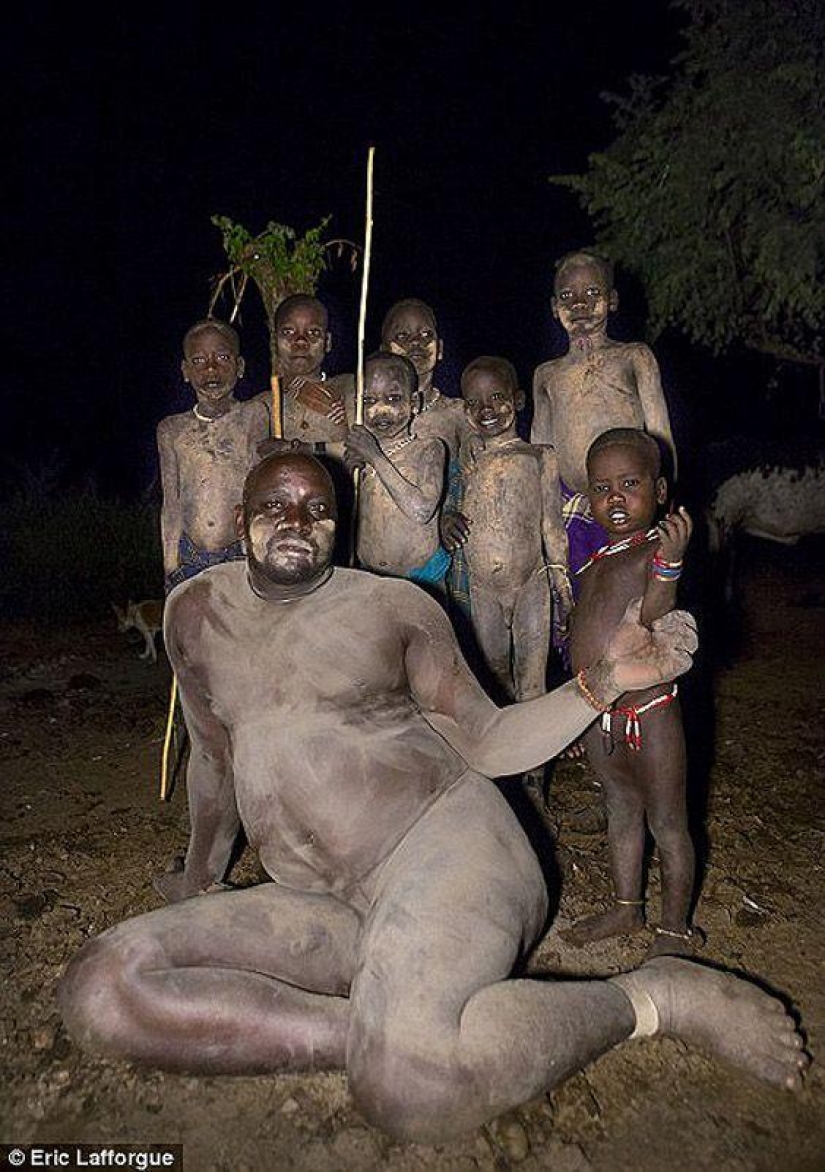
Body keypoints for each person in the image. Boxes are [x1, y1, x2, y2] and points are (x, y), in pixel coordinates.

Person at [58, 453, 806, 1146]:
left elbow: (488, 742)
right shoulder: (193, 611)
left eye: (316, 509)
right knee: (103, 989)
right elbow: (215, 764)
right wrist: (198, 876)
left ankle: (650, 997)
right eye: (274, 505)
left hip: (446, 854)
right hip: (323, 900)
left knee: (409, 1092)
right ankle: (378, 1032)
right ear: (238, 515)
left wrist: (602, 683)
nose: (295, 521)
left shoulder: (393, 608)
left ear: (339, 525)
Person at [564, 428, 697, 954]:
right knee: (620, 809)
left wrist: (671, 562)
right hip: (601, 717)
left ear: (660, 491)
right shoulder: (594, 563)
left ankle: (673, 928)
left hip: (652, 713)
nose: (614, 497)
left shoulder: (652, 551)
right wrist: (572, 711)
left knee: (668, 821)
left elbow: (654, 616)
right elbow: (580, 635)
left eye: (629, 483)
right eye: (602, 488)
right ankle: (626, 908)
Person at [531, 250, 677, 582]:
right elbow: (541, 450)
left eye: (592, 293)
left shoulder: (634, 356)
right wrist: (541, 512)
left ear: (611, 300)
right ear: (555, 307)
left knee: (633, 593)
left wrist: (664, 500)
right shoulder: (546, 375)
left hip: (630, 501)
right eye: (568, 296)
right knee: (580, 593)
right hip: (574, 507)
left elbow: (661, 437)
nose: (579, 303)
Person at [441, 356, 572, 703]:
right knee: (494, 677)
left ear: (518, 399)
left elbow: (552, 527)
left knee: (532, 682)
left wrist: (562, 587)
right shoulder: (468, 462)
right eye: (474, 403)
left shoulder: (540, 456)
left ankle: (537, 758)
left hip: (532, 582)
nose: (486, 409)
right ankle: (507, 753)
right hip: (483, 589)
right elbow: (450, 509)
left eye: (497, 397)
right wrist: (447, 519)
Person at [157, 318, 270, 592]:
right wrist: (170, 566)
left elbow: (261, 490)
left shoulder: (254, 416)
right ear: (185, 370)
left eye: (222, 357)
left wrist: (261, 552)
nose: (211, 368)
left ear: (239, 366)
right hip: (190, 556)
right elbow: (171, 503)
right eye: (199, 360)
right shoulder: (171, 429)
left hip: (242, 552)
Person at [344, 352, 448, 587]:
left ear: (414, 403)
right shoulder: (359, 453)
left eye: (393, 399)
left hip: (423, 581)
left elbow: (421, 511)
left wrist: (374, 456)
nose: (381, 409)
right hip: (370, 579)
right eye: (368, 401)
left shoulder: (429, 449)